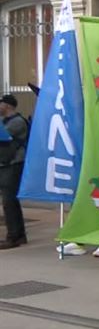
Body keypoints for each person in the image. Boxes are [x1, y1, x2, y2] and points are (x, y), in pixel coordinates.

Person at [0, 94, 29, 250]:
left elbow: (3, 136)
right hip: (5, 164)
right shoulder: (6, 122)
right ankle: (19, 234)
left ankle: (13, 237)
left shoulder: (17, 122)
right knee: (10, 201)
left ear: (8, 106)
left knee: (9, 201)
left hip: (13, 164)